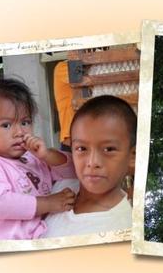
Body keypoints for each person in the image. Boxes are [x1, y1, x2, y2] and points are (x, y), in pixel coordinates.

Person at [0, 79, 76, 240]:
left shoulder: (33, 158)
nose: (19, 132)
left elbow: (74, 173)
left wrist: (46, 155)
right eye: (6, 125)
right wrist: (49, 203)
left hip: (42, 234)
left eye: (25, 122)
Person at [43, 95, 135, 237]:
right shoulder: (63, 185)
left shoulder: (121, 230)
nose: (92, 162)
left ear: (132, 155)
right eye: (82, 149)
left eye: (109, 149)